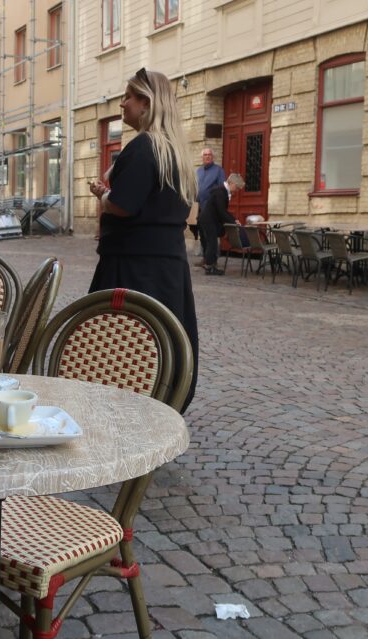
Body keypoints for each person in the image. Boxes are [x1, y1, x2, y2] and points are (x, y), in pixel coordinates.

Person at [88, 67, 199, 411]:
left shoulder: (143, 147)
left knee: (119, 350)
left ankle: (121, 417)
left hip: (132, 268)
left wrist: (103, 196)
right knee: (161, 347)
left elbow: (123, 205)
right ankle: (158, 411)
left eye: (128, 97)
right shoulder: (176, 151)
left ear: (147, 103)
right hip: (168, 267)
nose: (122, 104)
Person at [199, 173, 245, 275]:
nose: (237, 191)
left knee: (212, 243)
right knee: (212, 243)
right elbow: (222, 211)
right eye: (237, 188)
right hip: (208, 220)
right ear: (232, 183)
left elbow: (222, 211)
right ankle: (209, 267)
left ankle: (210, 265)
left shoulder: (222, 191)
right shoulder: (221, 192)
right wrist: (233, 221)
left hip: (209, 220)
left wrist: (233, 220)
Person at [192, 148, 226, 262]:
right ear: (202, 157)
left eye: (209, 154)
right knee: (202, 233)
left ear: (213, 157)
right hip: (199, 207)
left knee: (210, 235)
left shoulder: (219, 170)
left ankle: (212, 260)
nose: (207, 156)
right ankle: (206, 258)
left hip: (211, 208)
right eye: (205, 155)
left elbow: (222, 188)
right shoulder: (198, 171)